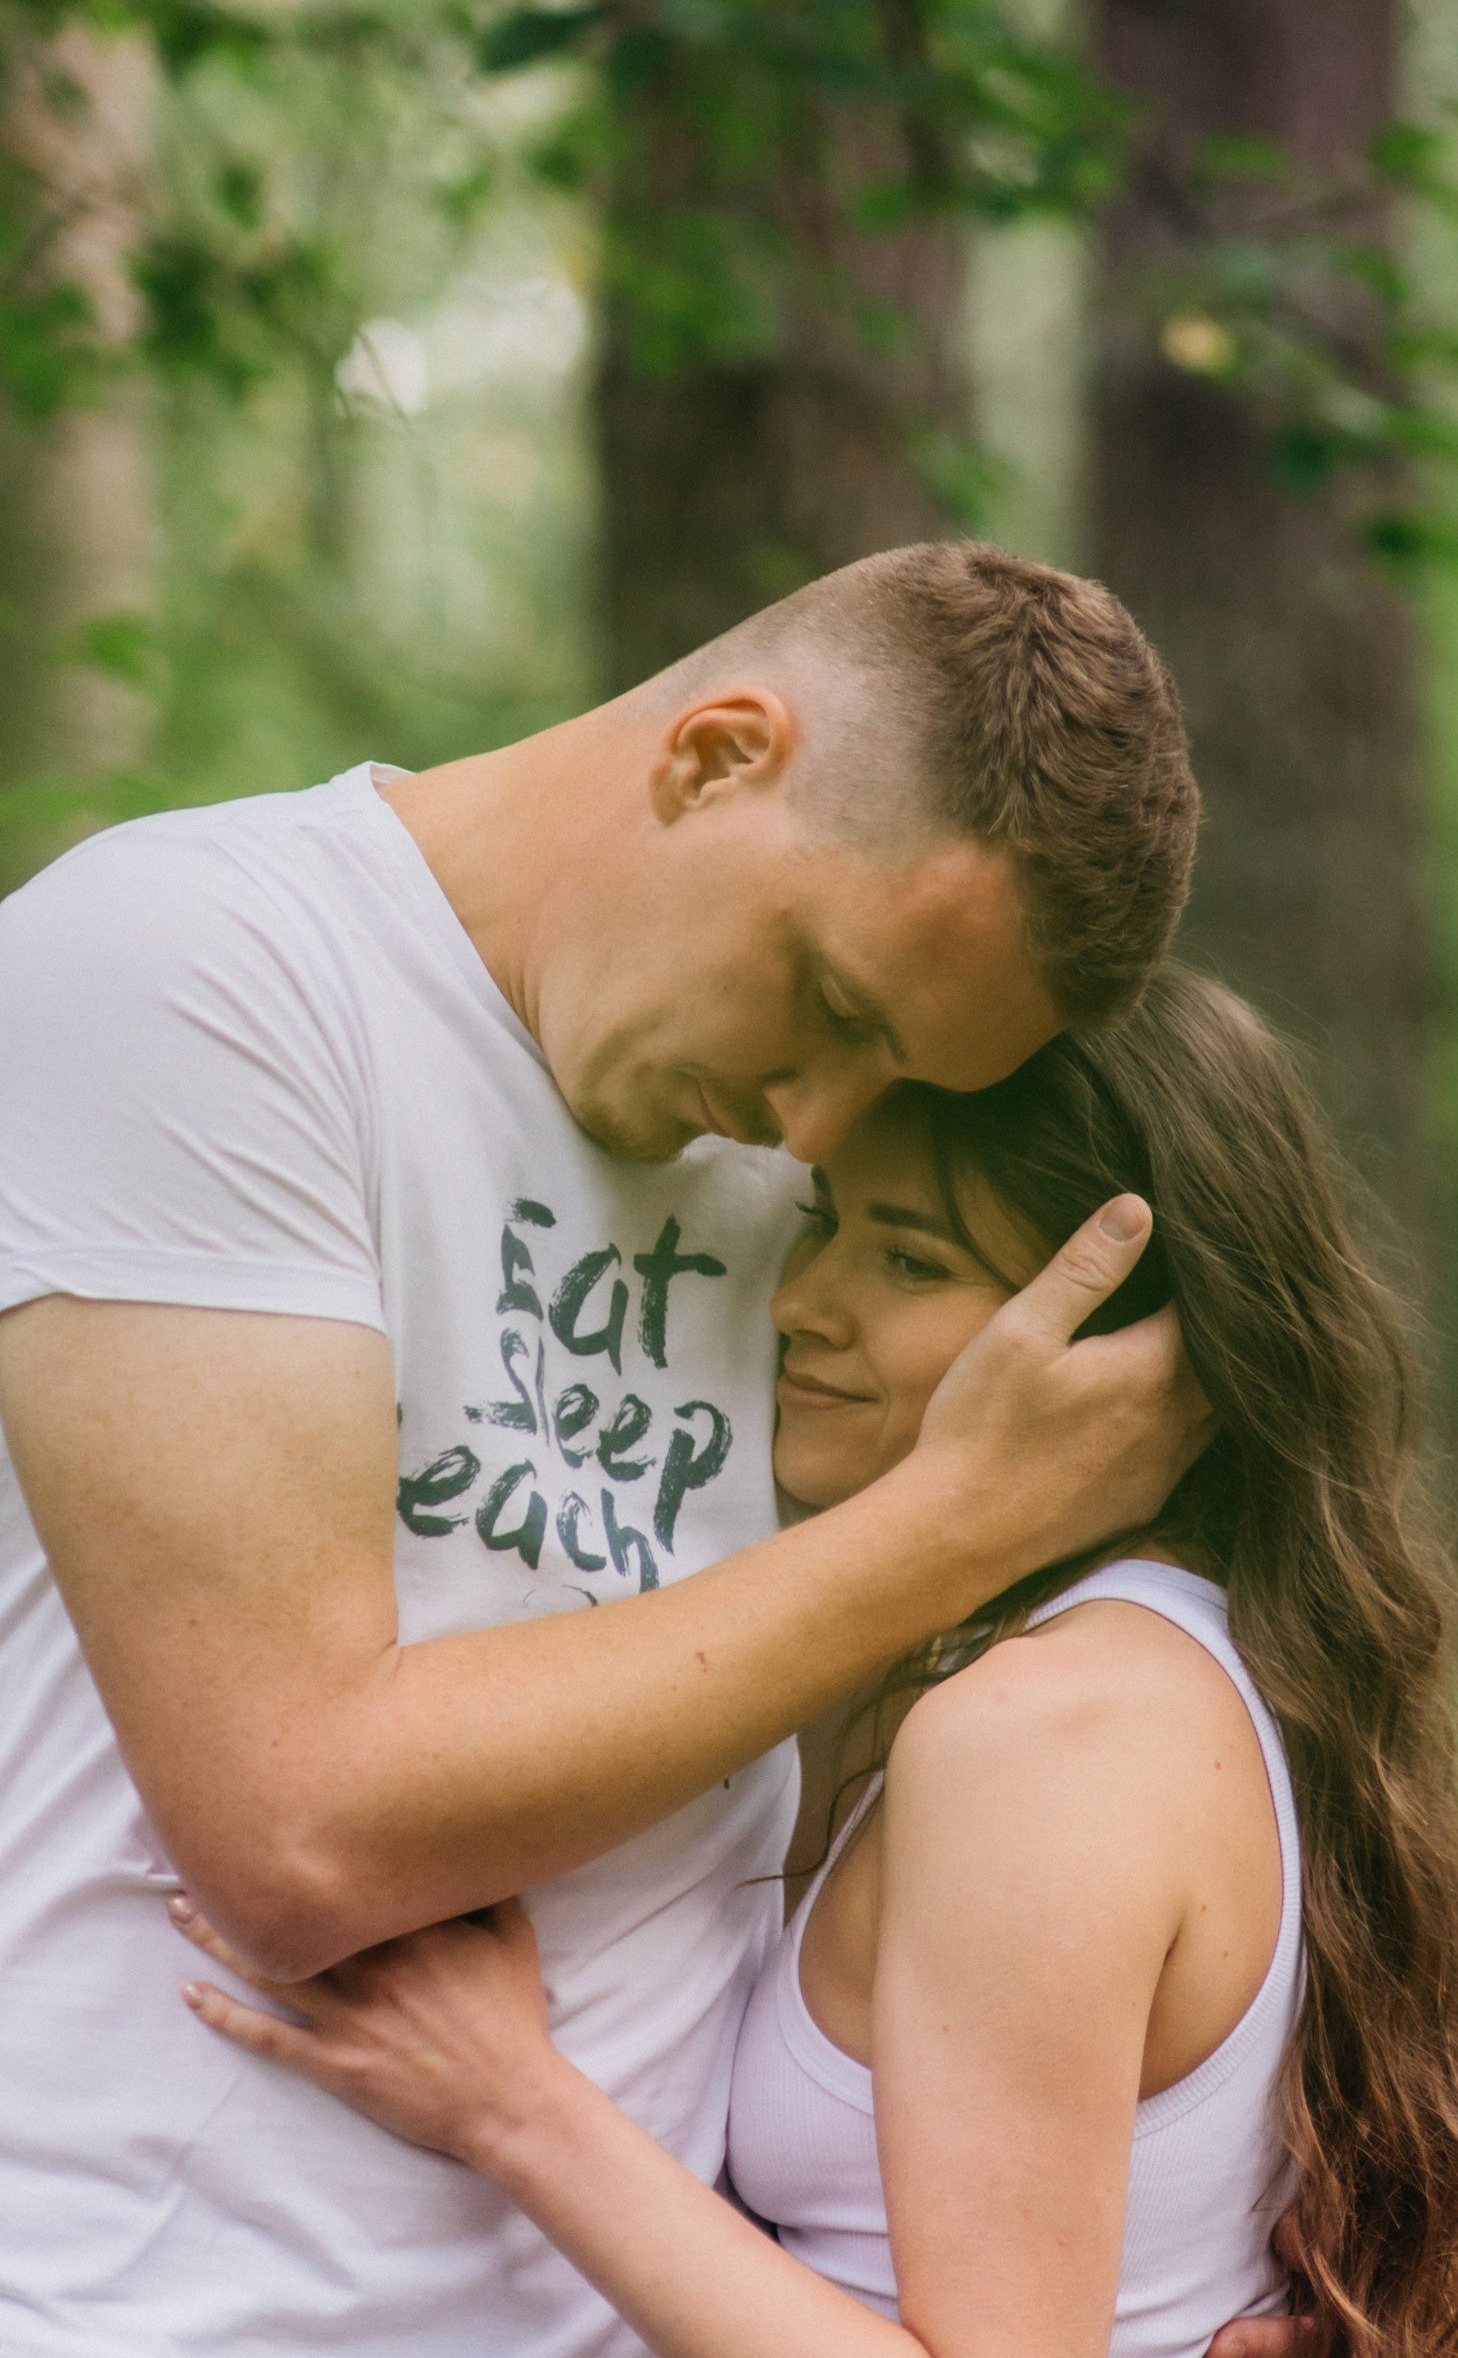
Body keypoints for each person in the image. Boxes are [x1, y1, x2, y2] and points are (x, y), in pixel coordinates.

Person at [0, 542, 1206, 2358]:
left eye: (901, 1080)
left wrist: (1290, 2243)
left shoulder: (792, 1151)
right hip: (162, 2310)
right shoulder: (203, 971)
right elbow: (296, 1833)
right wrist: (958, 1521)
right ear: (716, 756)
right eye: (833, 1007)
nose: (818, 1127)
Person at [174, 969, 1458, 2358]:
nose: (803, 1302)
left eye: (911, 1261)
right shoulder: (1184, 1665)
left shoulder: (1048, 1736)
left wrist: (511, 2105)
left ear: (1130, 1350)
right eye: (822, 1224)